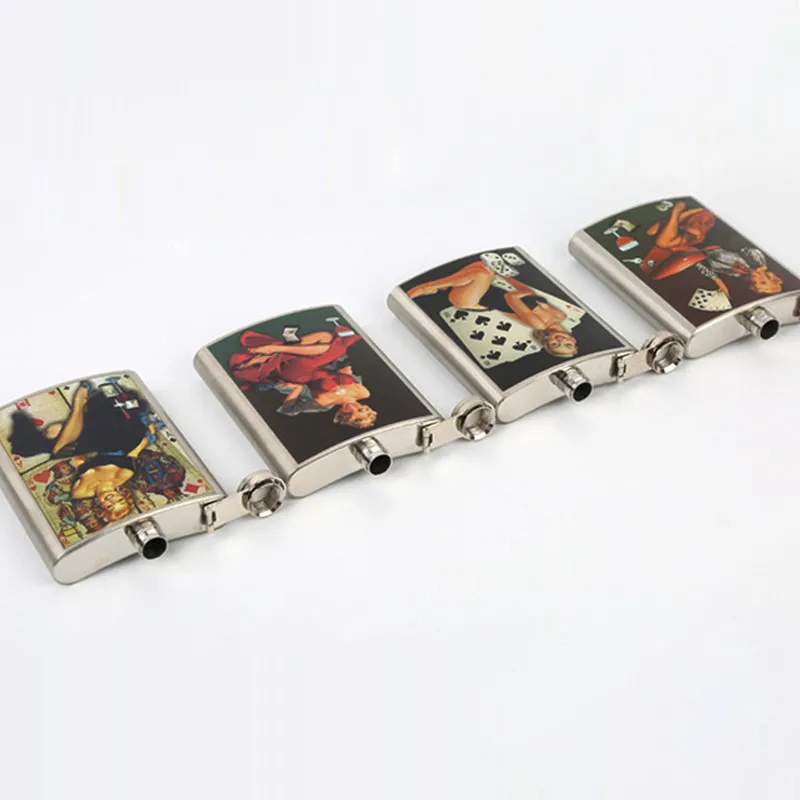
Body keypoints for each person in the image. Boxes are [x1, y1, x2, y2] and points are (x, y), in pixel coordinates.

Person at [9, 382, 155, 524]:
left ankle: (79, 407)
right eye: (120, 500)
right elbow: (134, 452)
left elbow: (79, 462)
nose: (112, 500)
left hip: (97, 441)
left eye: (109, 506)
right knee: (65, 444)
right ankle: (79, 404)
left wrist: (72, 449)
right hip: (122, 437)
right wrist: (149, 433)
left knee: (53, 432)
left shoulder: (81, 492)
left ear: (100, 506)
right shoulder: (124, 475)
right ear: (123, 495)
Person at [407, 258, 579, 358]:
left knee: (481, 273)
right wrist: (503, 274)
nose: (560, 341)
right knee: (484, 266)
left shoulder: (538, 324)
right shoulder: (560, 315)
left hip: (470, 300)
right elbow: (529, 292)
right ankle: (445, 285)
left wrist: (523, 292)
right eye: (566, 344)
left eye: (555, 344)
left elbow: (510, 297)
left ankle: (430, 286)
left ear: (547, 341)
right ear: (573, 340)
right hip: (478, 290)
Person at [229, 326, 378, 429]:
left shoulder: (323, 404)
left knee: (325, 352)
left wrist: (296, 389)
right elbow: (345, 371)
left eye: (350, 413)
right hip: (321, 365)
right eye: (361, 408)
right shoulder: (363, 392)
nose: (353, 407)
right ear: (366, 406)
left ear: (343, 415)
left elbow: (287, 409)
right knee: (327, 338)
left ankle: (275, 350)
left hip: (299, 375)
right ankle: (276, 351)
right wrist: (345, 372)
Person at [641, 201, 784, 296]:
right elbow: (747, 249)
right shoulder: (757, 261)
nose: (756, 282)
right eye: (763, 282)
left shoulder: (736, 274)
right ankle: (677, 212)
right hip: (709, 236)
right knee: (663, 242)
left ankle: (676, 217)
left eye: (757, 285)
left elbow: (706, 267)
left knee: (653, 233)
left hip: (696, 249)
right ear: (769, 276)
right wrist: (760, 267)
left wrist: (719, 283)